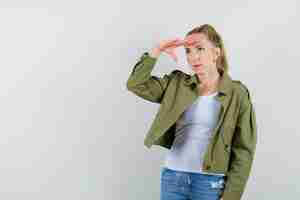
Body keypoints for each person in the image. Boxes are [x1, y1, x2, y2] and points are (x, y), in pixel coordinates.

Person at [126, 24, 257, 200]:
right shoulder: (177, 84)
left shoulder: (237, 93)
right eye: (187, 51)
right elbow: (135, 84)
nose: (193, 56)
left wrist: (232, 195)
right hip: (173, 177)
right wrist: (157, 50)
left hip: (210, 182)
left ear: (216, 53)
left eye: (200, 49)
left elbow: (244, 150)